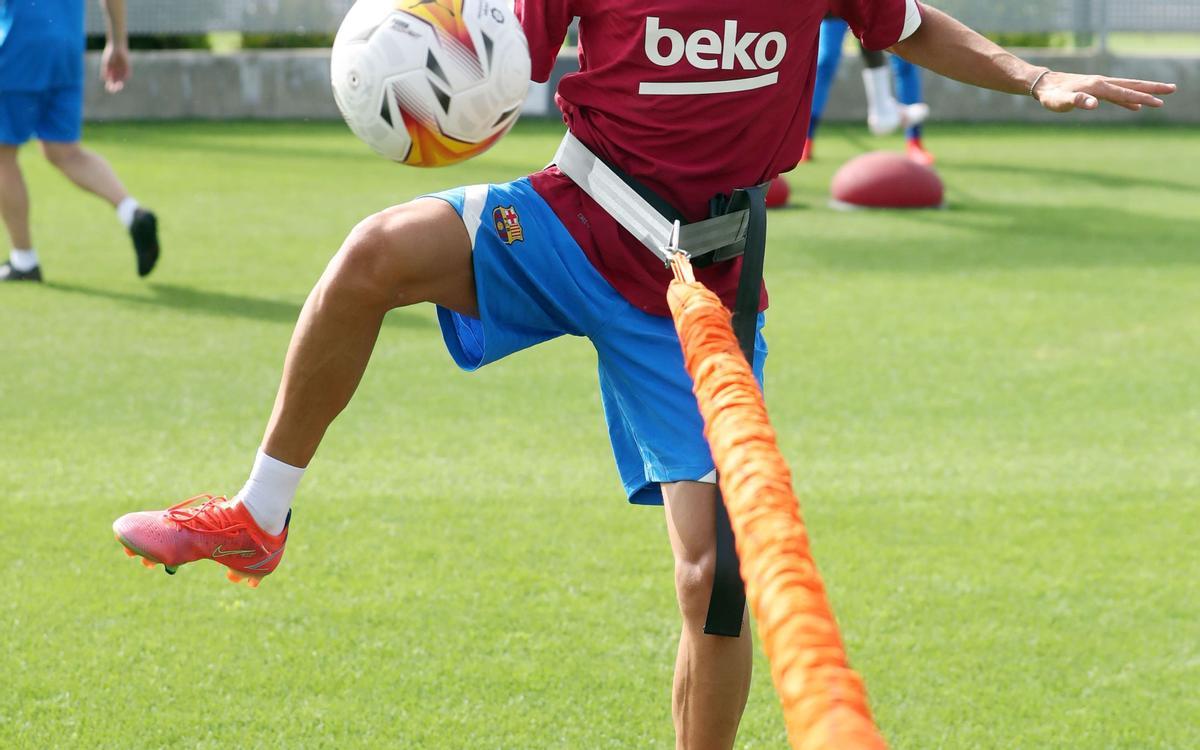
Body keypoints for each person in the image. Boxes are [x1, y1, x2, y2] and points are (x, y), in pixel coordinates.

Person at [112, 1, 1173, 747]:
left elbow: (905, 25)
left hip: (699, 285)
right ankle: (259, 515)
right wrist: (426, 52)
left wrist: (1037, 75)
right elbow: (488, 53)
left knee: (717, 583)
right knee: (372, 256)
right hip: (573, 223)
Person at [0, 0, 159, 282]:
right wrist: (117, 43)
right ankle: (131, 212)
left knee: (2, 154)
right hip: (67, 47)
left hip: (18, 45)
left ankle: (24, 261)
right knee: (65, 151)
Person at [805, 13, 934, 164]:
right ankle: (805, 140)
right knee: (825, 62)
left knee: (904, 60)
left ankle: (914, 142)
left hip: (877, 6)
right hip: (836, 7)